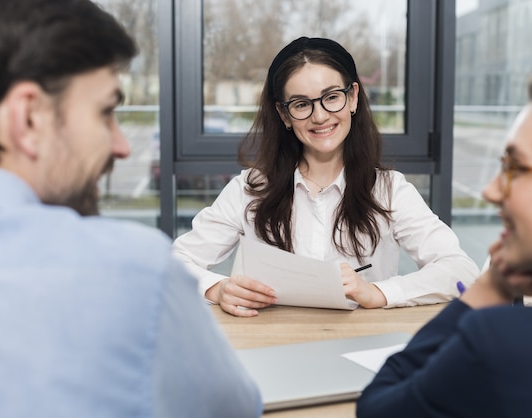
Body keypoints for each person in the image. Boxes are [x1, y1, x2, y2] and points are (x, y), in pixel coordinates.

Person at [0, 1, 261, 417]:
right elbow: (234, 409)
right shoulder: (132, 269)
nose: (122, 145)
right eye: (106, 112)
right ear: (28, 118)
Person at [357, 48, 532, 418]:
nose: (491, 190)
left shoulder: (506, 344)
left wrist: (489, 290)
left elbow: (378, 410)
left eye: (517, 169)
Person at [173, 36, 479, 317]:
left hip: (360, 349)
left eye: (331, 97)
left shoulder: (390, 191)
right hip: (271, 349)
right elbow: (174, 263)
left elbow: (460, 269)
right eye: (302, 104)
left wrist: (378, 292)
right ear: (284, 115)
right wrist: (217, 288)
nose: (319, 116)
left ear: (354, 97)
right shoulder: (249, 189)